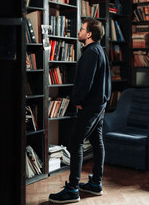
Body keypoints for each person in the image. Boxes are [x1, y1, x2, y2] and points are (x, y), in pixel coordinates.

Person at [49, 18, 111, 203]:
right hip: (100, 103)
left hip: (91, 105)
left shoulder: (91, 52)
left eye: (82, 29)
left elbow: (86, 81)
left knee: (75, 143)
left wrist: (76, 100)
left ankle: (72, 189)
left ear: (89, 34)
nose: (79, 31)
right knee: (97, 141)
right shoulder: (100, 50)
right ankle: (96, 184)